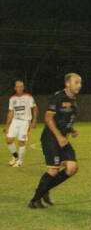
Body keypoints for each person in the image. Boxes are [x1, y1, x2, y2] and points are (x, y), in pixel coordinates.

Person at [28, 73, 82, 209]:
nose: (79, 85)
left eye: (80, 83)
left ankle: (45, 189)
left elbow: (65, 119)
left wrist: (71, 129)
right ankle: (34, 200)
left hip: (62, 138)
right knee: (53, 171)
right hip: (51, 138)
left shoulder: (74, 99)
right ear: (67, 84)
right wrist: (59, 137)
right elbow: (48, 118)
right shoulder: (58, 97)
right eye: (76, 82)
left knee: (72, 168)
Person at [4, 80, 38, 167]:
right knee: (9, 140)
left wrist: (34, 120)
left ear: (23, 88)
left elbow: (34, 108)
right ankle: (16, 157)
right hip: (15, 121)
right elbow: (11, 112)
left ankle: (19, 162)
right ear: (15, 88)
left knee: (21, 142)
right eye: (18, 86)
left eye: (21, 86)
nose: (19, 88)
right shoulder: (12, 98)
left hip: (25, 121)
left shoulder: (28, 97)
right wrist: (7, 125)